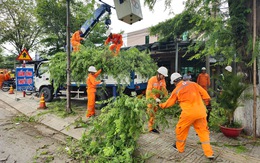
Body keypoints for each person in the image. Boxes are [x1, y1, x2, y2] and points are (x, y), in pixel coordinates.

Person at [158, 72, 214, 160]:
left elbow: (169, 103)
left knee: (181, 129)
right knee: (203, 132)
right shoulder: (194, 84)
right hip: (201, 112)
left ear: (175, 82)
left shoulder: (176, 90)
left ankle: (179, 147)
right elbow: (205, 95)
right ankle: (209, 153)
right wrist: (208, 105)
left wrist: (160, 105)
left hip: (188, 114)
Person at [146, 66, 168, 134]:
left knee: (156, 113)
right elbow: (149, 91)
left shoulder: (162, 80)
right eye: (163, 76)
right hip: (151, 99)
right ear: (159, 74)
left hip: (157, 99)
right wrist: (155, 98)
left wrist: (166, 97)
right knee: (151, 113)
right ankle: (151, 128)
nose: (164, 77)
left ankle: (154, 125)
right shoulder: (152, 80)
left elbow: (164, 88)